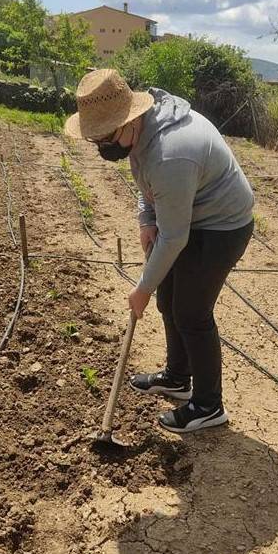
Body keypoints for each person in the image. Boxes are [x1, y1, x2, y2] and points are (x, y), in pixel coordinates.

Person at [65, 68, 254, 434]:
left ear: (130, 120)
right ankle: (178, 378)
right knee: (170, 300)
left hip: (221, 227)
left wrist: (141, 289)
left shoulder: (171, 154)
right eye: (96, 138)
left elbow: (174, 237)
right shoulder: (142, 132)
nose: (102, 144)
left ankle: (208, 405)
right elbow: (146, 184)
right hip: (189, 216)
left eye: (106, 136)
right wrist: (145, 219)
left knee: (192, 312)